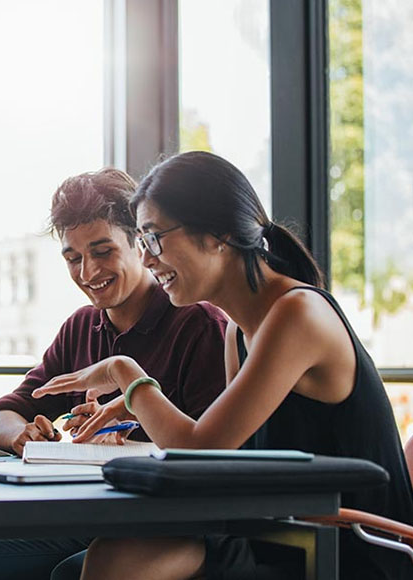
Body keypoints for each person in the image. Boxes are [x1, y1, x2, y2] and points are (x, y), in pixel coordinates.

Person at [33, 151, 413, 580]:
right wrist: (134, 406)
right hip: (280, 534)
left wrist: (126, 374)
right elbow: (223, 463)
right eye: (142, 242)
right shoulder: (238, 331)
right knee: (104, 559)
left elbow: (198, 451)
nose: (148, 258)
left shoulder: (297, 314)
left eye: (154, 238)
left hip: (349, 550)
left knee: (114, 562)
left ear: (218, 234)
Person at [0, 167, 229, 580]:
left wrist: (133, 426)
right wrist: (21, 435)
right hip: (92, 519)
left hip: (170, 527)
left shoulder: (198, 324)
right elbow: (4, 414)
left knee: (73, 574)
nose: (88, 273)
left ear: (140, 244)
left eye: (103, 252)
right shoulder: (80, 327)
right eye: (73, 258)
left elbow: (212, 455)